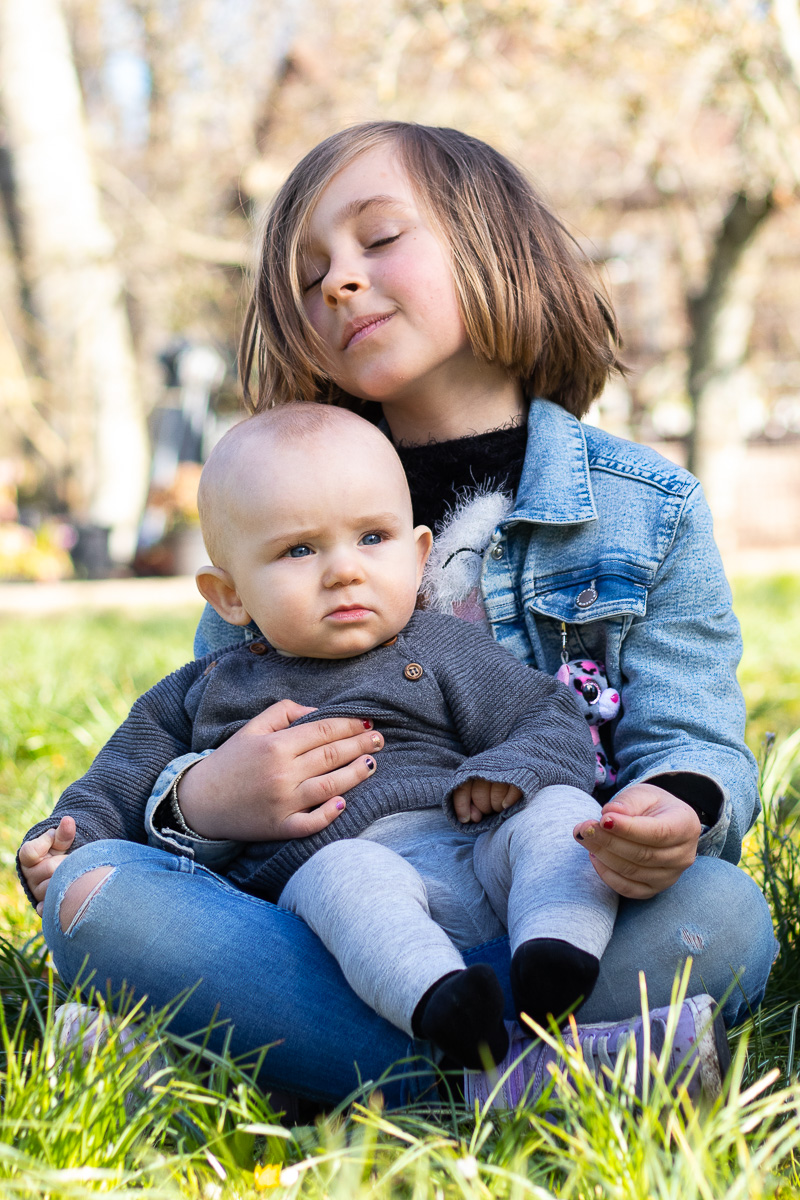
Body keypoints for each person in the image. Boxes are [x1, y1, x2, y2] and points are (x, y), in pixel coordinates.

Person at [18, 121, 774, 1110]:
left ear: (497, 246)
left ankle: (276, 1062)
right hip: (336, 924)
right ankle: (539, 1078)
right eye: (305, 274)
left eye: (379, 240)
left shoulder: (645, 507)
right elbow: (199, 717)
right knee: (97, 897)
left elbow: (689, 738)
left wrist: (675, 811)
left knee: (721, 916)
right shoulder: (265, 493)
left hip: (560, 902)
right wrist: (204, 805)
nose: (337, 280)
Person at [21, 404, 620, 1070]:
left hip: (479, 854)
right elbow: (120, 778)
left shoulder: (442, 647)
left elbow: (549, 715)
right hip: (336, 916)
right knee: (344, 872)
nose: (344, 571)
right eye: (299, 550)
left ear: (419, 555)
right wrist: (67, 839)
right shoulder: (211, 685)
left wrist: (509, 771)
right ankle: (446, 1008)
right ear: (229, 596)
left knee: (564, 814)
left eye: (372, 538)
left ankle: (554, 958)